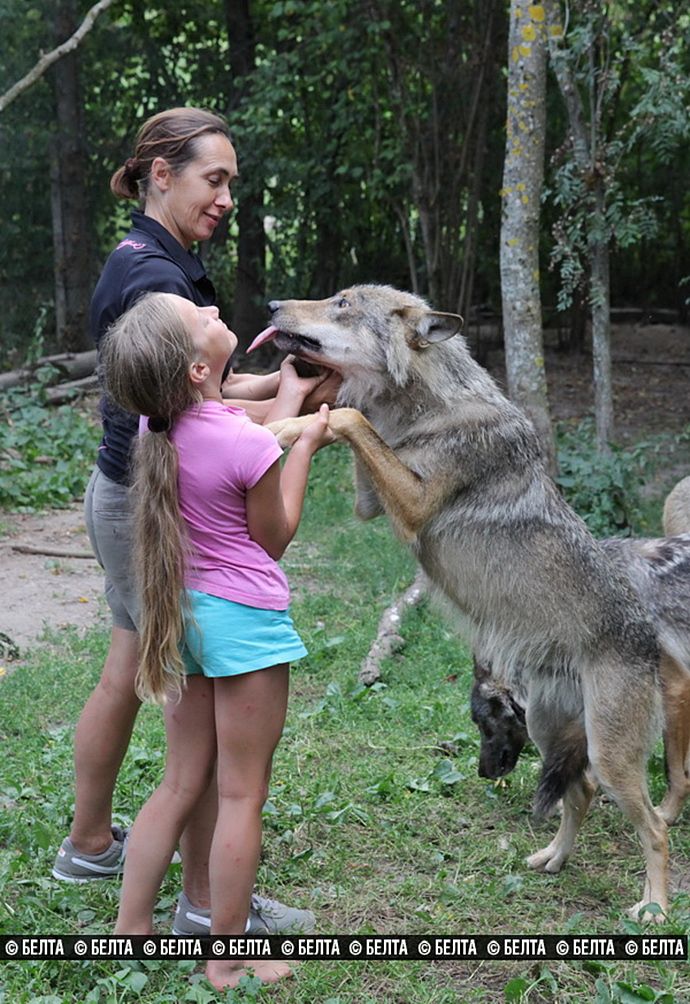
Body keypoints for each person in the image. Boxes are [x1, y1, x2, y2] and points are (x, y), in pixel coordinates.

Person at [52, 107, 331, 936]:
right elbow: (205, 410)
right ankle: (206, 904)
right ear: (159, 174)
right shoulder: (157, 284)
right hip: (153, 509)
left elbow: (198, 399)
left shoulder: (150, 257)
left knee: (131, 667)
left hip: (132, 491)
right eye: (215, 179)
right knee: (195, 727)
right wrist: (293, 414)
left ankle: (93, 844)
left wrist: (282, 393)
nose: (226, 197)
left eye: (232, 184)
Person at [103, 291, 333, 988]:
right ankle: (227, 950)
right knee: (240, 795)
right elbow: (276, 534)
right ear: (198, 371)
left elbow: (233, 417)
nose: (211, 310)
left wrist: (287, 399)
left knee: (178, 782)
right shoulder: (245, 443)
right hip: (242, 627)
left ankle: (131, 928)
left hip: (183, 620)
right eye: (199, 318)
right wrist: (307, 447)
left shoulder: (153, 425)